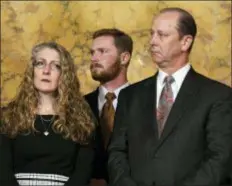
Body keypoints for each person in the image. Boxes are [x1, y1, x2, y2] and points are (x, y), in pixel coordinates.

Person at [108, 7, 232, 186]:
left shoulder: (218, 95)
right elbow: (116, 152)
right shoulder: (130, 95)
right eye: (151, 34)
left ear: (185, 42)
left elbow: (220, 159)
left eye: (162, 35)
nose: (152, 41)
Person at [0, 41, 96, 186]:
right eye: (40, 63)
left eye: (56, 66)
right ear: (32, 70)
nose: (46, 70)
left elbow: (82, 173)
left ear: (65, 74)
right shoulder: (9, 115)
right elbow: (3, 170)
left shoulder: (82, 119)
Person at [85, 28, 133, 186]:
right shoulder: (78, 106)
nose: (94, 58)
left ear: (124, 58)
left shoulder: (146, 102)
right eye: (92, 53)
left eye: (102, 51)